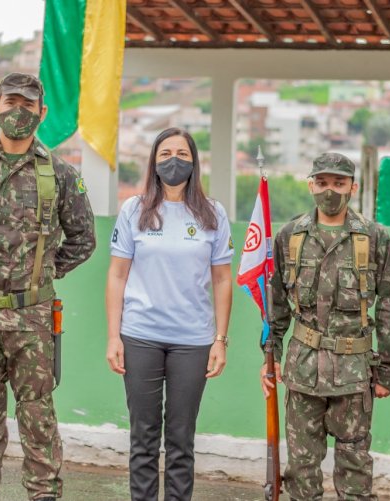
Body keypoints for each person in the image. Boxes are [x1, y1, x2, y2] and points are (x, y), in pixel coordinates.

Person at [0, 73, 96, 501]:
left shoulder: (61, 175)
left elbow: (84, 240)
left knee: (38, 421)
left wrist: (42, 272)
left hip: (32, 323)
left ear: (41, 114)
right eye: (10, 103)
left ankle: (43, 495)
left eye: (28, 106)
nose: (17, 112)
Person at [261, 152, 390, 500]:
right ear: (311, 185)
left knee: (355, 470)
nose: (330, 191)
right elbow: (276, 302)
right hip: (302, 370)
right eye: (323, 182)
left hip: (354, 375)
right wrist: (271, 354)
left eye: (339, 183)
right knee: (301, 471)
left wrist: (387, 370)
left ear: (352, 187)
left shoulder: (373, 237)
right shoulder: (290, 235)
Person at [105, 127, 233, 501]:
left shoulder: (212, 214)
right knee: (143, 438)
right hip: (140, 336)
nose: (173, 160)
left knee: (181, 440)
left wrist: (220, 340)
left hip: (193, 342)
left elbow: (223, 280)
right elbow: (116, 276)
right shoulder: (134, 209)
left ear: (194, 161)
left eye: (181, 153)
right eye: (164, 154)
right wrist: (114, 337)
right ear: (153, 162)